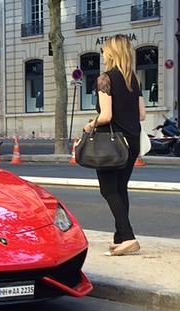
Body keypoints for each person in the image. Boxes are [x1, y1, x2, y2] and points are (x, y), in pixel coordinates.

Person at [82, 34, 146, 256]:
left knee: (108, 189)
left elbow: (107, 115)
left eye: (104, 49)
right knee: (120, 188)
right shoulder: (133, 79)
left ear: (111, 52)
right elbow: (142, 114)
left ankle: (128, 236)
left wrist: (91, 125)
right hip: (133, 141)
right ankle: (120, 237)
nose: (102, 53)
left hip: (112, 143)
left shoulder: (105, 79)